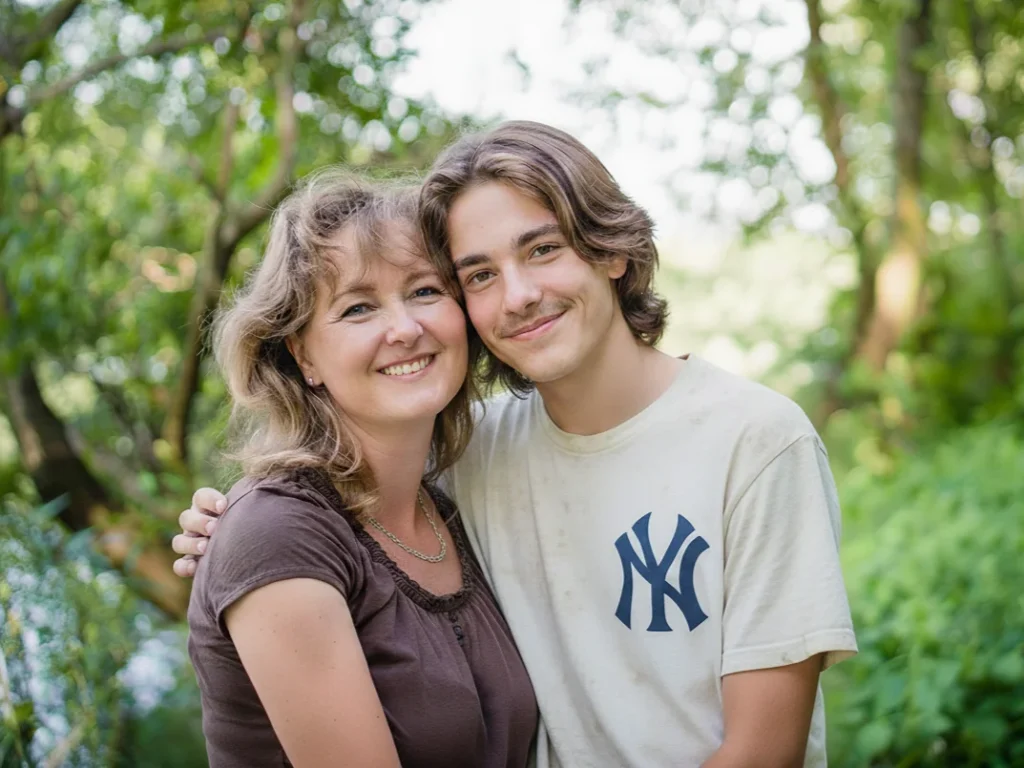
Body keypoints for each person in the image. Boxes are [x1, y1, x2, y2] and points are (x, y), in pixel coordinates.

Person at [175, 121, 857, 767]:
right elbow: (309, 516)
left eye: (543, 249)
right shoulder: (476, 455)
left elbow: (765, 754)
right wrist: (232, 528)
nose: (519, 295)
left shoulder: (756, 441)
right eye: (478, 275)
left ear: (611, 248)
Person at [183, 171, 537, 768]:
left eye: (425, 291)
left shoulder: (453, 502)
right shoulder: (278, 534)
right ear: (301, 354)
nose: (405, 329)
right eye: (358, 308)